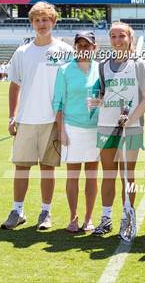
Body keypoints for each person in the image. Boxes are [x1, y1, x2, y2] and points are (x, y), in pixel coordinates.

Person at [0, 1, 73, 230]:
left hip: (52, 120)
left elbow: (70, 86)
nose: (42, 24)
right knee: (21, 167)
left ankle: (46, 212)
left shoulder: (64, 51)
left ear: (53, 21)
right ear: (32, 23)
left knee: (47, 168)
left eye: (46, 20)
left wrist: (65, 121)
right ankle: (17, 210)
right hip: (25, 120)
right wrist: (12, 116)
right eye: (37, 20)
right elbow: (15, 85)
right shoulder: (22, 52)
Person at [91, 22, 145, 236]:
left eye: (122, 36)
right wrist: (96, 101)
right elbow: (102, 94)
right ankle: (106, 218)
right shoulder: (103, 65)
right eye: (113, 36)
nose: (118, 40)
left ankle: (127, 218)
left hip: (132, 127)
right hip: (106, 126)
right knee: (108, 173)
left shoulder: (140, 64)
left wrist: (131, 117)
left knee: (127, 175)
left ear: (130, 38)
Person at [52, 31, 99, 233]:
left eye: (87, 45)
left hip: (95, 129)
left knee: (91, 176)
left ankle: (88, 218)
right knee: (72, 176)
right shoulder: (64, 70)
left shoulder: (101, 69)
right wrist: (61, 131)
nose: (83, 49)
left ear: (94, 48)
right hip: (71, 128)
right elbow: (58, 103)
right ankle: (73, 217)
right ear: (75, 48)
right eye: (79, 45)